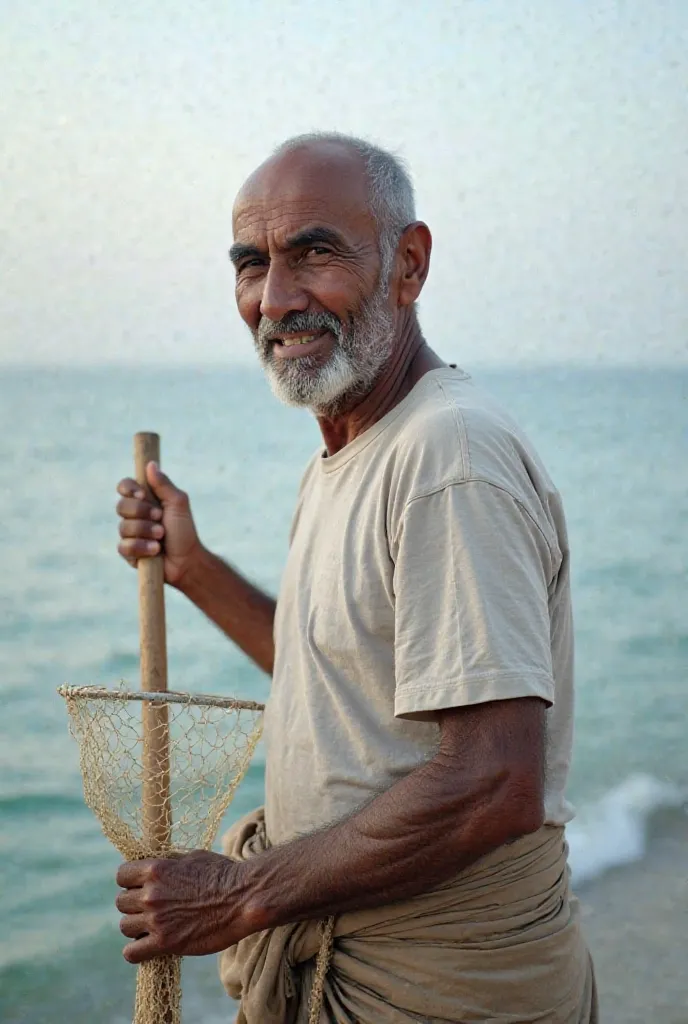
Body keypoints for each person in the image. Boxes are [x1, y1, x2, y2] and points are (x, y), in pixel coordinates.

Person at [114, 133, 597, 1023]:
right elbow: (349, 686)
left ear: (408, 264)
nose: (277, 299)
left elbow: (495, 779)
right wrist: (195, 571)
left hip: (437, 990)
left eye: (316, 253)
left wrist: (238, 897)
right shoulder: (351, 448)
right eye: (251, 265)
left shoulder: (449, 454)